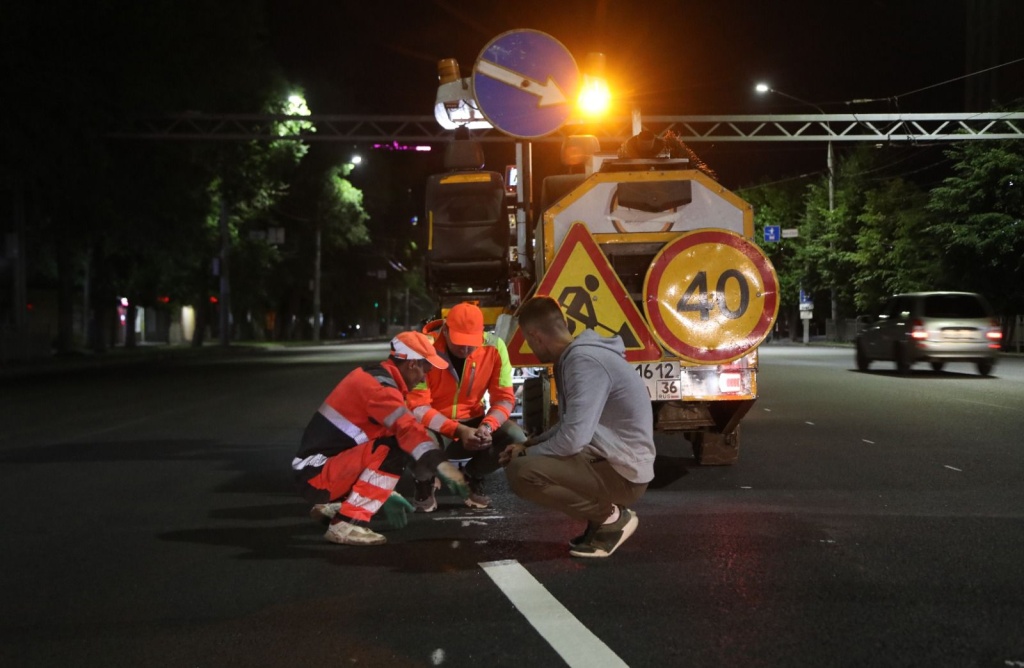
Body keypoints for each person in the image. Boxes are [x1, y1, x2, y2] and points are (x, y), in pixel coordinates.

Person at [499, 296, 656, 558]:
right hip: (611, 460)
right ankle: (602, 520)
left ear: (536, 336)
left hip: (625, 475)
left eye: (527, 340)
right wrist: (528, 444)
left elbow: (573, 439)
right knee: (525, 460)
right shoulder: (576, 357)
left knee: (522, 472)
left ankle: (611, 518)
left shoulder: (584, 361)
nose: (530, 347)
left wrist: (526, 453)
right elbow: (569, 425)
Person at [292, 331, 471, 546]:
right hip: (317, 476)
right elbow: (408, 430)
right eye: (425, 370)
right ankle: (345, 523)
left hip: (316, 468)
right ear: (412, 364)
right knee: (395, 447)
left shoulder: (375, 377)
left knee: (391, 441)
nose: (424, 378)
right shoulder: (381, 390)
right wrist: (445, 468)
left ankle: (335, 505)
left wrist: (386, 493)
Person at [406, 302, 527, 511]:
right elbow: (417, 407)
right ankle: (424, 481)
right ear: (445, 330)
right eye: (459, 342)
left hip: (474, 423)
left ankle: (473, 476)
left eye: (471, 343)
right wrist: (458, 430)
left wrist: (487, 426)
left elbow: (504, 399)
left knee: (516, 437)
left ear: (482, 333)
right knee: (411, 436)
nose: (465, 349)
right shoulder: (423, 349)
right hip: (433, 427)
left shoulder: (495, 348)